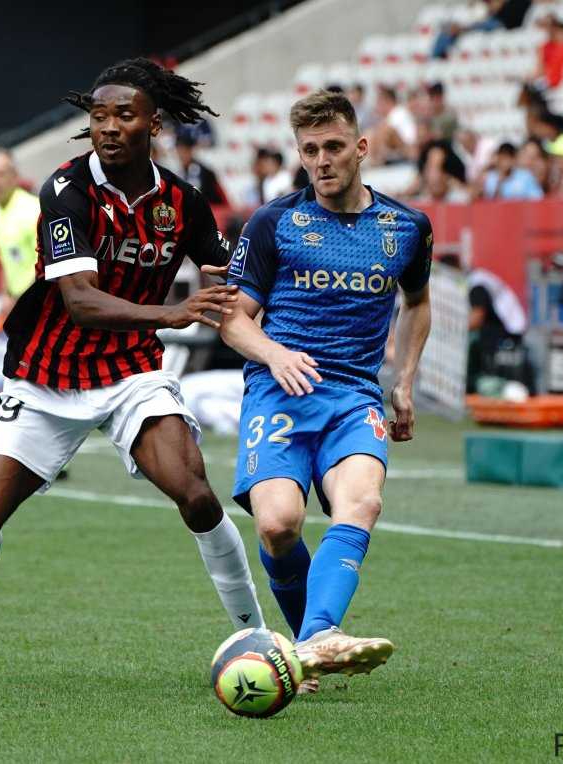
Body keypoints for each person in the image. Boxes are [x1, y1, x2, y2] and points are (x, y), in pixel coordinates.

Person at [0, 57, 266, 637]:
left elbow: (233, 285)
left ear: (153, 124)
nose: (107, 127)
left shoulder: (184, 202)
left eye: (123, 115)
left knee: (197, 495)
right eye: (98, 115)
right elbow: (81, 301)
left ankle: (257, 637)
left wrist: (274, 339)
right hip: (46, 376)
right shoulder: (65, 189)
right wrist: (172, 313)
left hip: (131, 373)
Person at [220, 90, 432, 684]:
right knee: (278, 524)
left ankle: (316, 639)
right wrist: (275, 353)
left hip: (353, 396)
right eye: (310, 150)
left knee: (362, 501)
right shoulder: (273, 223)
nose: (322, 160)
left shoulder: (406, 227)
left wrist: (405, 380)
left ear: (361, 148)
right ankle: (312, 638)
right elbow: (234, 319)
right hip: (278, 393)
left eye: (334, 146)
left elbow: (417, 303)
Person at [0, 148, 41, 328]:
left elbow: (47, 263)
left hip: (39, 304)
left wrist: (21, 300)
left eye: (0, 174)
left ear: (14, 176)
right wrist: (5, 296)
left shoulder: (33, 210)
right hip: (19, 306)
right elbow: (8, 262)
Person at [175, 132, 228, 206]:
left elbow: (215, 199)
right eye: (179, 151)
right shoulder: (178, 173)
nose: (182, 155)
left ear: (191, 151)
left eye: (185, 151)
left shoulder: (206, 173)